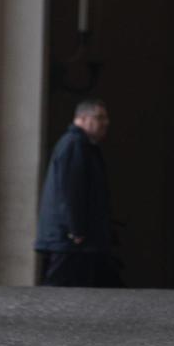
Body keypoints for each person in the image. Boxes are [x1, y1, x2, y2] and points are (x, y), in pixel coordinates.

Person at [35, 100, 120, 287]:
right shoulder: (75, 145)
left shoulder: (80, 145)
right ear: (81, 119)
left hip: (71, 240)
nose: (106, 122)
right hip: (70, 241)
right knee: (58, 292)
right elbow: (71, 190)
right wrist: (76, 230)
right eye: (99, 117)